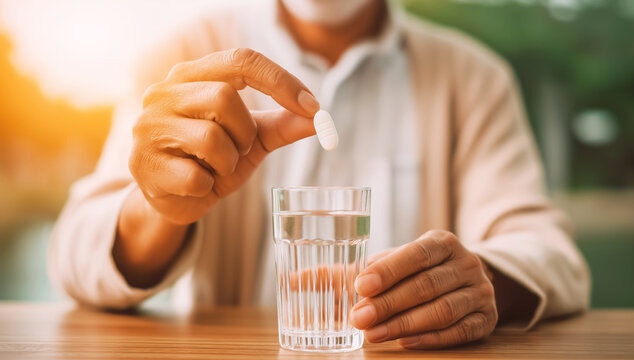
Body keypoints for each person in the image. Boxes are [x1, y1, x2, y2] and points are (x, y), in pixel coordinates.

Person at [49, 0, 590, 349]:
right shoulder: (181, 59)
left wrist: (479, 281)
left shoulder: (474, 77)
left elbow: (552, 256)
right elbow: (72, 256)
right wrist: (158, 207)